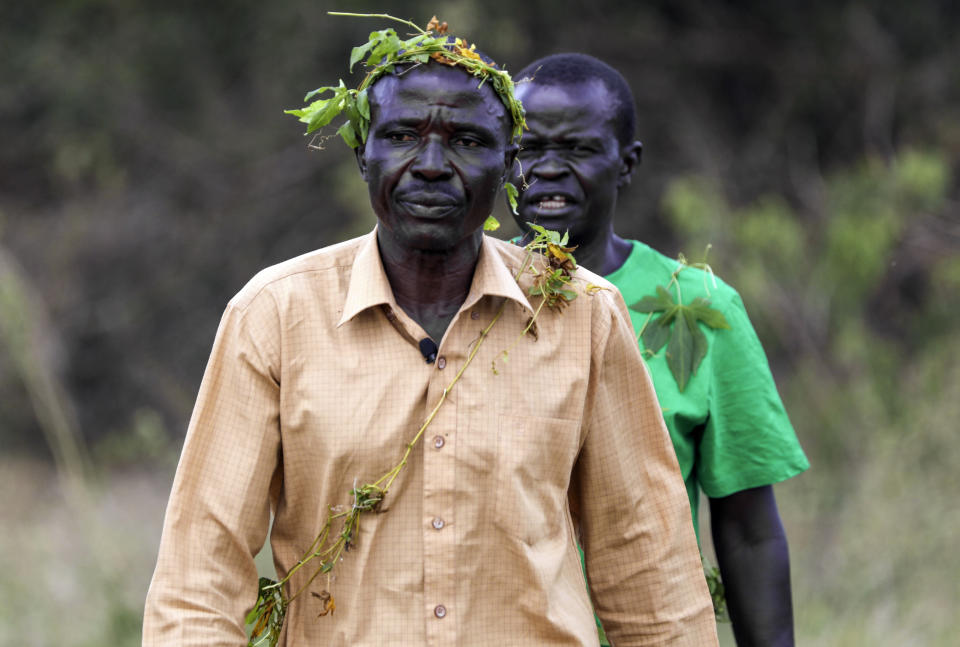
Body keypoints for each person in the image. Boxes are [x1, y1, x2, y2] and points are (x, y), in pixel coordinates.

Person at [142, 25, 718, 646]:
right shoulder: (275, 315)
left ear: (509, 163)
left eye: (468, 141)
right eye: (401, 136)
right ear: (364, 152)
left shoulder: (581, 314)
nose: (433, 166)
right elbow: (201, 573)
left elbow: (647, 568)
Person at [509, 53, 810, 647]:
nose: (547, 170)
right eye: (527, 149)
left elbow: (748, 528)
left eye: (577, 150)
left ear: (627, 164)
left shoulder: (698, 308)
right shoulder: (466, 298)